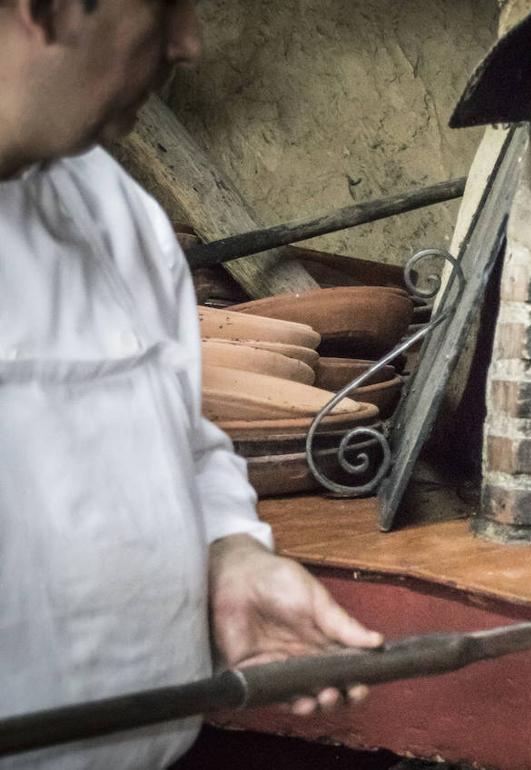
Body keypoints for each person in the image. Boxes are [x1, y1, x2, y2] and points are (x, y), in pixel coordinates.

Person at [0, 1, 384, 767]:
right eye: (164, 6)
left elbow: (180, 439)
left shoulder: (111, 209)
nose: (189, 43)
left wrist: (232, 552)